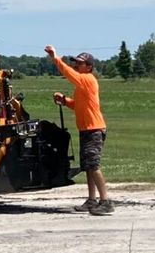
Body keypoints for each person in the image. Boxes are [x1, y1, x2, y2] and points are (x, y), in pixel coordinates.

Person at [45, 45, 110, 215]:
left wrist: (55, 57)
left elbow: (67, 73)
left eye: (79, 63)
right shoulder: (82, 83)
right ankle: (91, 200)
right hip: (87, 130)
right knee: (88, 166)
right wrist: (65, 101)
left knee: (93, 165)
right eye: (75, 62)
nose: (76, 65)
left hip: (94, 129)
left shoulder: (87, 79)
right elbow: (78, 106)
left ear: (88, 67)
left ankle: (106, 201)